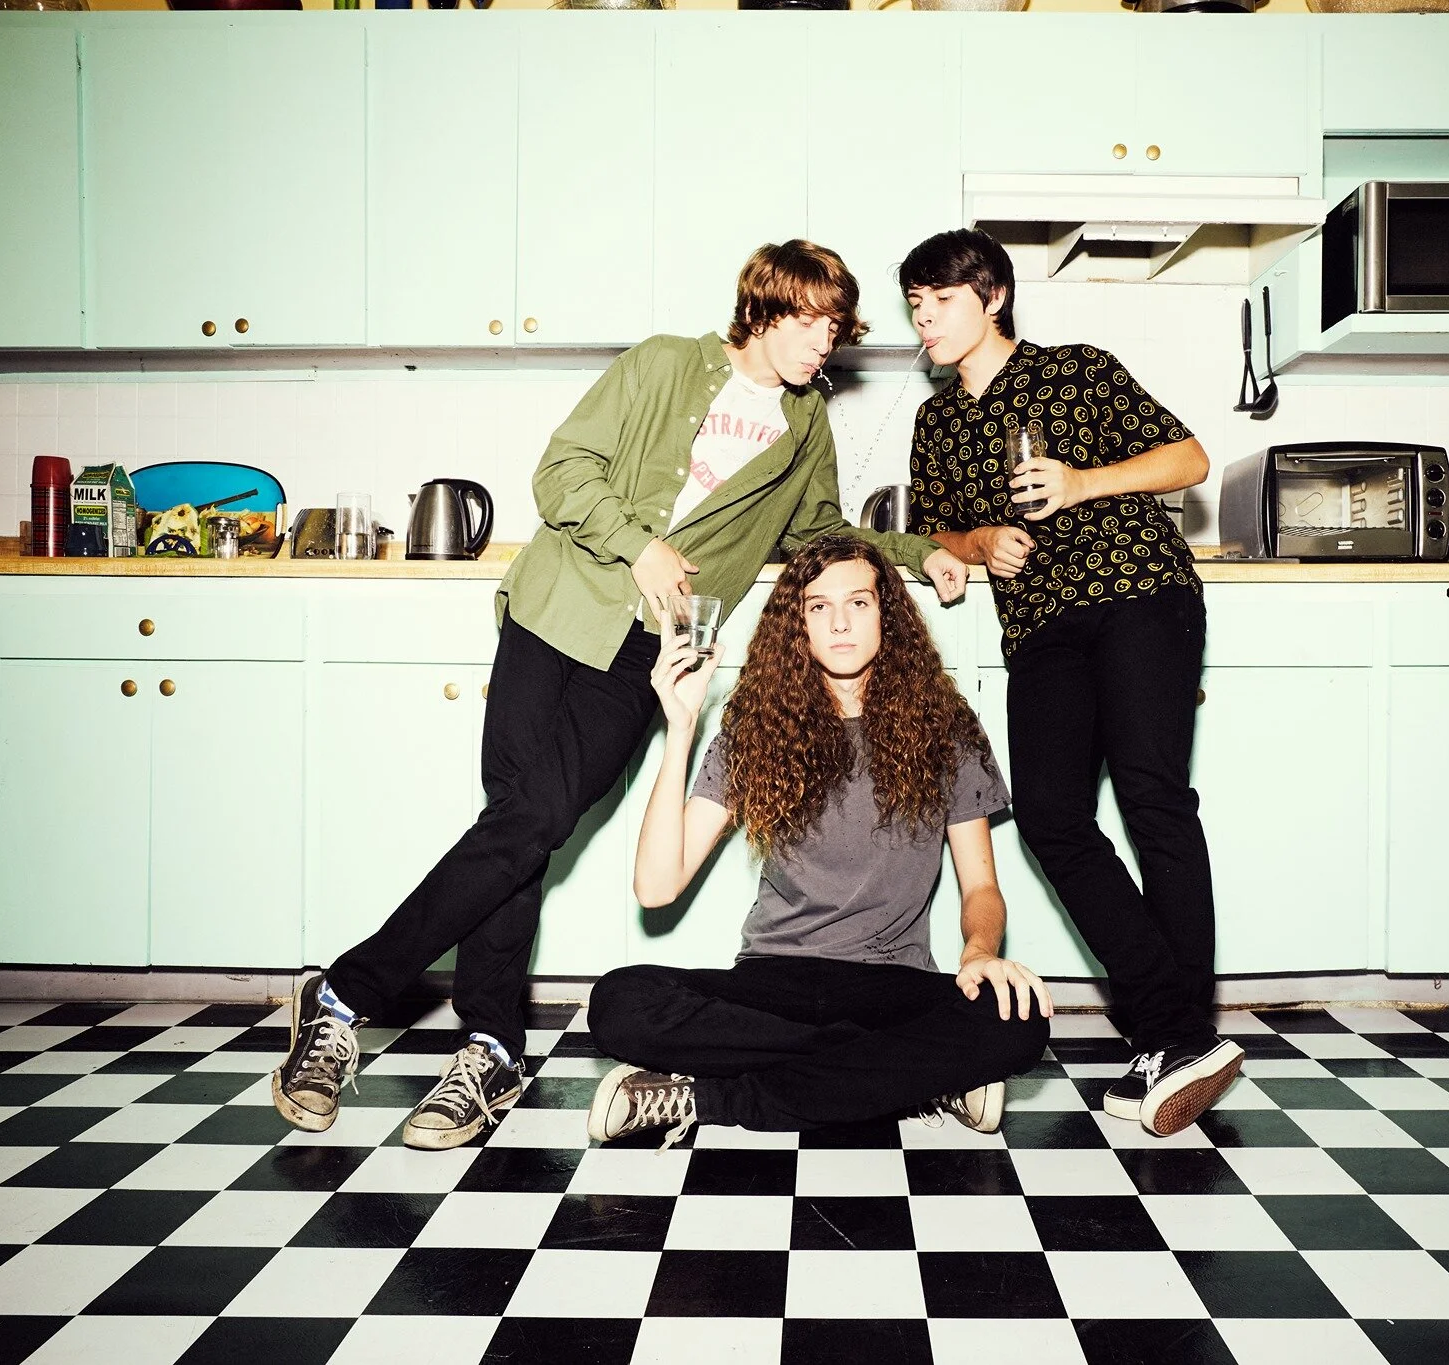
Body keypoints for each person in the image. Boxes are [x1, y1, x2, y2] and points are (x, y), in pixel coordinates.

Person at [273, 242, 970, 1151]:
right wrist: (639, 543)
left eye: (836, 327)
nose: (823, 342)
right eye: (809, 320)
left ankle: (346, 994)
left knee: (531, 823)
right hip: (556, 610)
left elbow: (820, 529)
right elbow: (562, 473)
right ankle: (488, 1044)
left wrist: (920, 553)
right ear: (762, 308)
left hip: (649, 649)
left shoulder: (806, 424)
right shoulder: (663, 364)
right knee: (521, 822)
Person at [899, 228, 1243, 1138]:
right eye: (915, 304)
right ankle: (1179, 1033)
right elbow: (943, 531)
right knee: (1051, 817)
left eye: (939, 298)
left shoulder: (1078, 371)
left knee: (1152, 797)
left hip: (1138, 593)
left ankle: (1175, 1035)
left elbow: (1190, 460)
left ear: (994, 296)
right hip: (1041, 624)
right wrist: (980, 544)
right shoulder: (935, 422)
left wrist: (1082, 480)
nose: (924, 317)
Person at [583, 535, 1051, 1146]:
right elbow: (655, 886)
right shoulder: (757, 726)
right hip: (774, 981)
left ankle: (712, 1097)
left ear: (888, 613)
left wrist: (979, 954)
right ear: (796, 625)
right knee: (619, 1000)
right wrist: (681, 727)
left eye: (858, 603)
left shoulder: (947, 725)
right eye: (818, 607)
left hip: (894, 981)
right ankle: (909, 1073)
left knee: (1020, 1020)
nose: (839, 624)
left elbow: (982, 886)